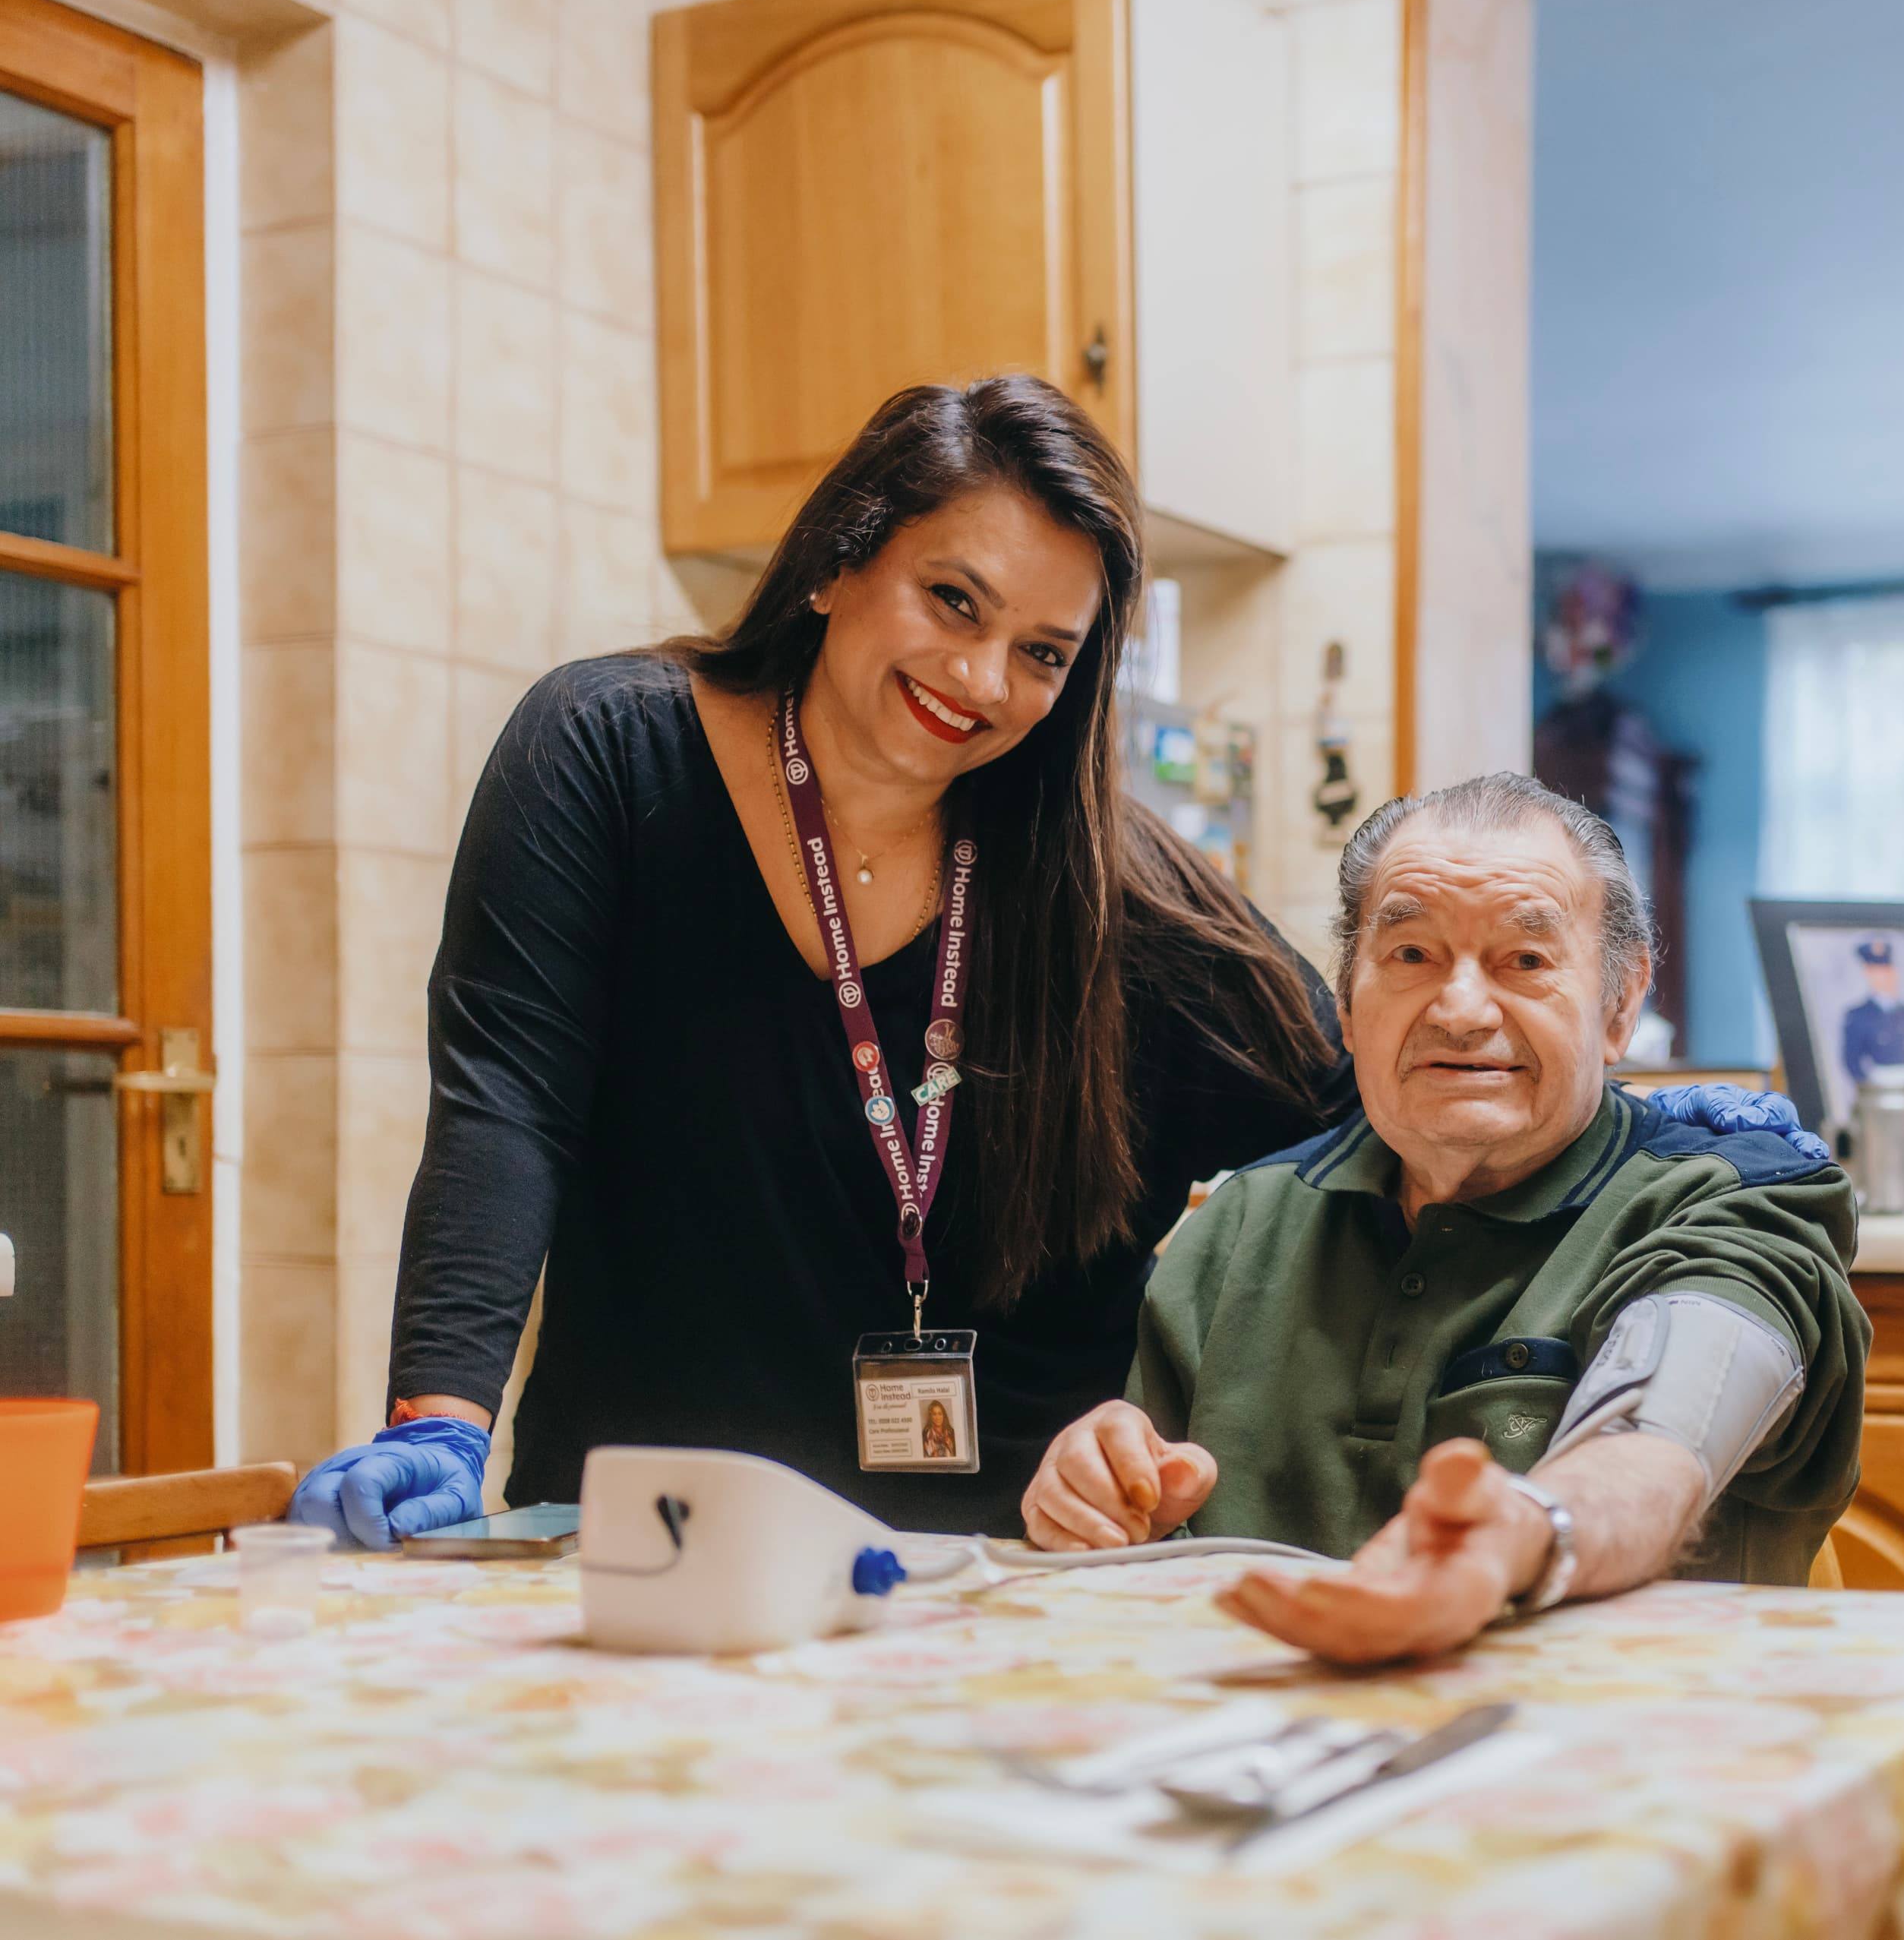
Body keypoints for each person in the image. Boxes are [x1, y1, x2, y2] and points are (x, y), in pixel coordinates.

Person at [283, 376, 1819, 1550]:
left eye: (1042, 650)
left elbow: (1368, 1097)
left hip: (1015, 1571)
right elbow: (506, 1100)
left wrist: (1633, 1127)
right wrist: (440, 1415)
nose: (979, 678)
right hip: (660, 1532)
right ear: (837, 561)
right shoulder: (609, 753)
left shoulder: (1118, 894)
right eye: (953, 600)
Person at [1021, 774, 1868, 1664]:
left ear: (1621, 1004)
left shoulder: (1740, 1194)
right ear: (1347, 1003)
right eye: (1412, 955)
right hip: (1275, 1762)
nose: (1461, 1011)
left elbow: (1661, 1436)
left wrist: (1525, 1531)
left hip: (1622, 1759)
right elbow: (1145, 1532)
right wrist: (1097, 1489)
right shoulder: (1244, 1219)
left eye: (1527, 961)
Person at [1839, 934, 1904, 1091]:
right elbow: (1852, 1060)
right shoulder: (1858, 1015)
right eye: (1877, 971)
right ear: (1868, 974)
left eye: (1887, 970)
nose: (1884, 977)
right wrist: (1869, 1090)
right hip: (1885, 1089)